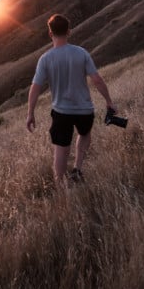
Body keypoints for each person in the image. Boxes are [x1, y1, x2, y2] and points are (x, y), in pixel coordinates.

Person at [26, 14, 116, 186]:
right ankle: (77, 168)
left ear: (50, 33)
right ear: (69, 32)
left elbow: (35, 87)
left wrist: (30, 113)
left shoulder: (45, 59)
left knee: (61, 148)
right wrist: (109, 101)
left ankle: (60, 184)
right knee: (84, 134)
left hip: (61, 111)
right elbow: (96, 79)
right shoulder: (81, 53)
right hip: (84, 109)